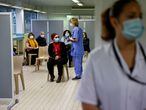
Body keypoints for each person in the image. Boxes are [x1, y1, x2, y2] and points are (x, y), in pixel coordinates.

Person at [77, 0, 146, 110]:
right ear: (114, 22)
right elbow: (88, 102)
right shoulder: (96, 58)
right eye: (131, 16)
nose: (137, 21)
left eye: (140, 16)